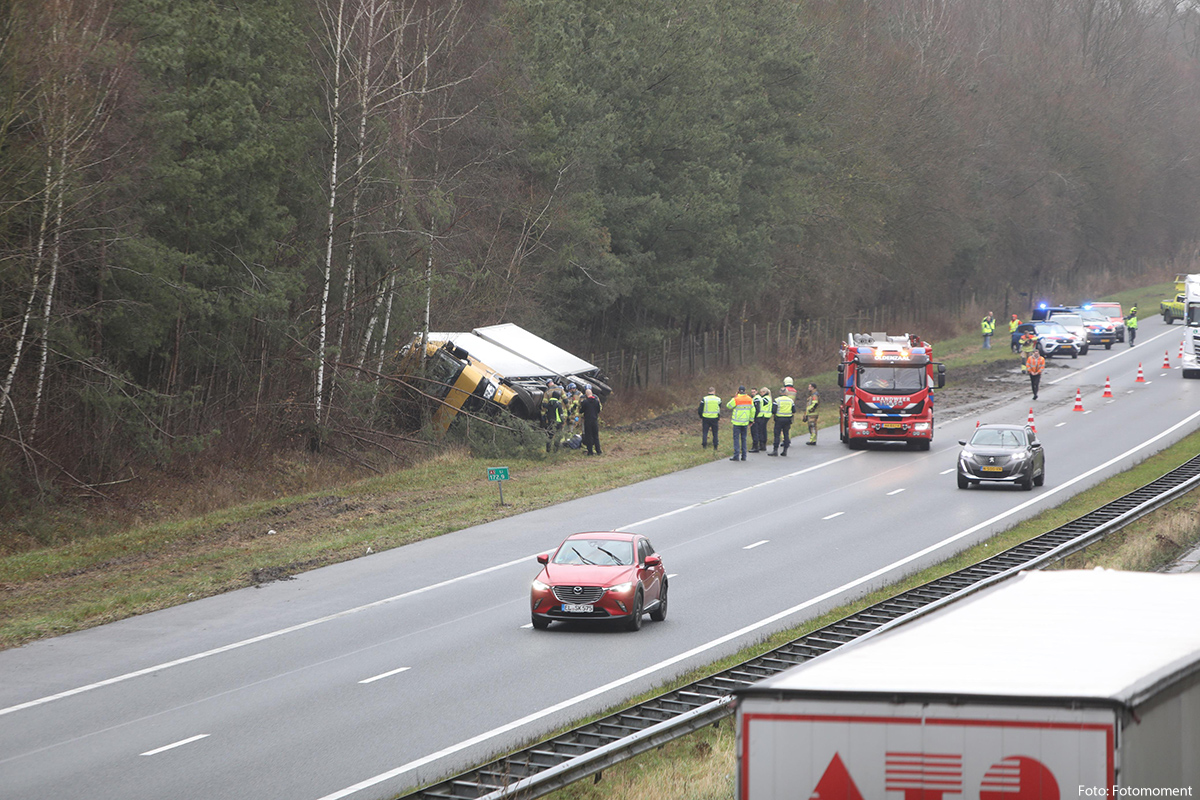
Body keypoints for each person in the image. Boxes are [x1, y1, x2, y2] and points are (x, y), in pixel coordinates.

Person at [726, 386, 754, 461]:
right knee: (744, 439)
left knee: (736, 438)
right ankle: (744, 456)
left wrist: (735, 396)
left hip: (737, 422)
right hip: (745, 422)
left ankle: (736, 455)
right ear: (745, 391)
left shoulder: (736, 399)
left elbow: (728, 406)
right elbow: (753, 410)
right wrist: (751, 420)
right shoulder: (749, 399)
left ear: (738, 391)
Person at [768, 383, 795, 456]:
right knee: (786, 434)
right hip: (788, 419)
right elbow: (794, 410)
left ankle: (775, 450)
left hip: (779, 419)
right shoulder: (790, 401)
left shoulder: (777, 400)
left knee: (777, 435)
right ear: (786, 393)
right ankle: (785, 451)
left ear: (780, 392)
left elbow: (773, 410)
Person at [579, 385, 603, 455]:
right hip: (595, 420)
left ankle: (590, 452)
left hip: (587, 420)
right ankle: (598, 451)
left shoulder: (585, 402)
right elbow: (598, 410)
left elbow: (581, 411)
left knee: (588, 436)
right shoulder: (596, 401)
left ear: (586, 394)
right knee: (596, 436)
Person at [752, 386, 772, 453]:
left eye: (761, 392)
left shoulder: (765, 398)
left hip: (763, 416)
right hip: (767, 415)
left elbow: (760, 405)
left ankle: (762, 444)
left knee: (761, 431)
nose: (760, 394)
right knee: (763, 430)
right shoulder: (769, 398)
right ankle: (763, 444)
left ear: (764, 392)